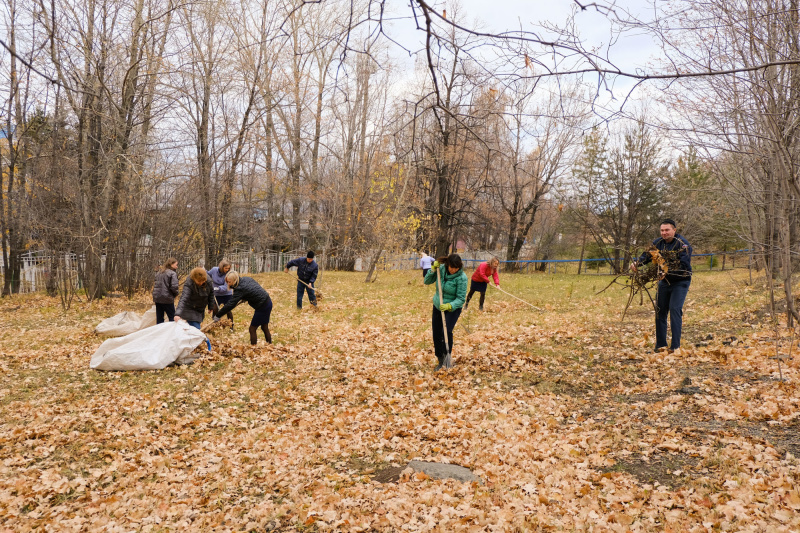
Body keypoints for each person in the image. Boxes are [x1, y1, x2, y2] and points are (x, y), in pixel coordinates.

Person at [631, 219, 693, 352]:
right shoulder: (657, 243)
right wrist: (637, 264)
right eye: (662, 230)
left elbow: (684, 266)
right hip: (664, 282)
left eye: (667, 230)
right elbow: (647, 256)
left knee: (675, 309)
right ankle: (660, 345)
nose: (664, 233)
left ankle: (675, 347)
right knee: (660, 311)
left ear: (674, 230)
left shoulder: (683, 245)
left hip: (680, 281)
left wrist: (669, 273)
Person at [424, 254, 468, 370]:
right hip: (438, 305)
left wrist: (450, 305)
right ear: (447, 265)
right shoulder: (441, 269)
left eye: (456, 268)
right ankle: (440, 358)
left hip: (453, 307)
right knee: (437, 333)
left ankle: (448, 357)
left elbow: (461, 299)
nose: (454, 270)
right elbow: (427, 281)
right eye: (452, 267)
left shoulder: (462, 278)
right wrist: (433, 269)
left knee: (446, 331)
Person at [214, 271, 273, 345]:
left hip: (262, 306)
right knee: (264, 327)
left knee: (252, 329)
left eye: (229, 282)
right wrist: (246, 296)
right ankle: (270, 345)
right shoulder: (245, 279)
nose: (228, 284)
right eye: (227, 282)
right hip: (268, 302)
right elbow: (253, 288)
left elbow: (230, 304)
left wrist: (218, 315)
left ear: (234, 280)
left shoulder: (240, 289)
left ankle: (253, 349)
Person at [175, 267, 217, 351]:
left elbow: (211, 293)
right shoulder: (189, 283)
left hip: (200, 308)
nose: (201, 283)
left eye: (203, 281)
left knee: (193, 327)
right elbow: (184, 298)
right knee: (196, 329)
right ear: (194, 279)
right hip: (190, 307)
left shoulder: (208, 281)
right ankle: (193, 347)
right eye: (199, 281)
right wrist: (177, 313)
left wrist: (210, 306)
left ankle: (190, 346)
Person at [208, 259, 234, 331]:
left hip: (227, 294)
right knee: (215, 309)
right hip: (216, 295)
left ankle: (231, 327)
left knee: (228, 310)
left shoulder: (229, 274)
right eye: (226, 268)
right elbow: (208, 274)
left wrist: (217, 288)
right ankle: (214, 325)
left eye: (229, 268)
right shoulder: (214, 270)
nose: (227, 269)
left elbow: (226, 286)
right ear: (221, 267)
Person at [152, 257, 179, 324]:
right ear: (171, 265)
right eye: (176, 265)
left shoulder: (159, 272)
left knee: (159, 318)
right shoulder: (172, 274)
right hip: (167, 298)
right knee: (172, 318)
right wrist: (176, 294)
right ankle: (172, 333)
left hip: (158, 298)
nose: (177, 267)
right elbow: (174, 287)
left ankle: (160, 332)